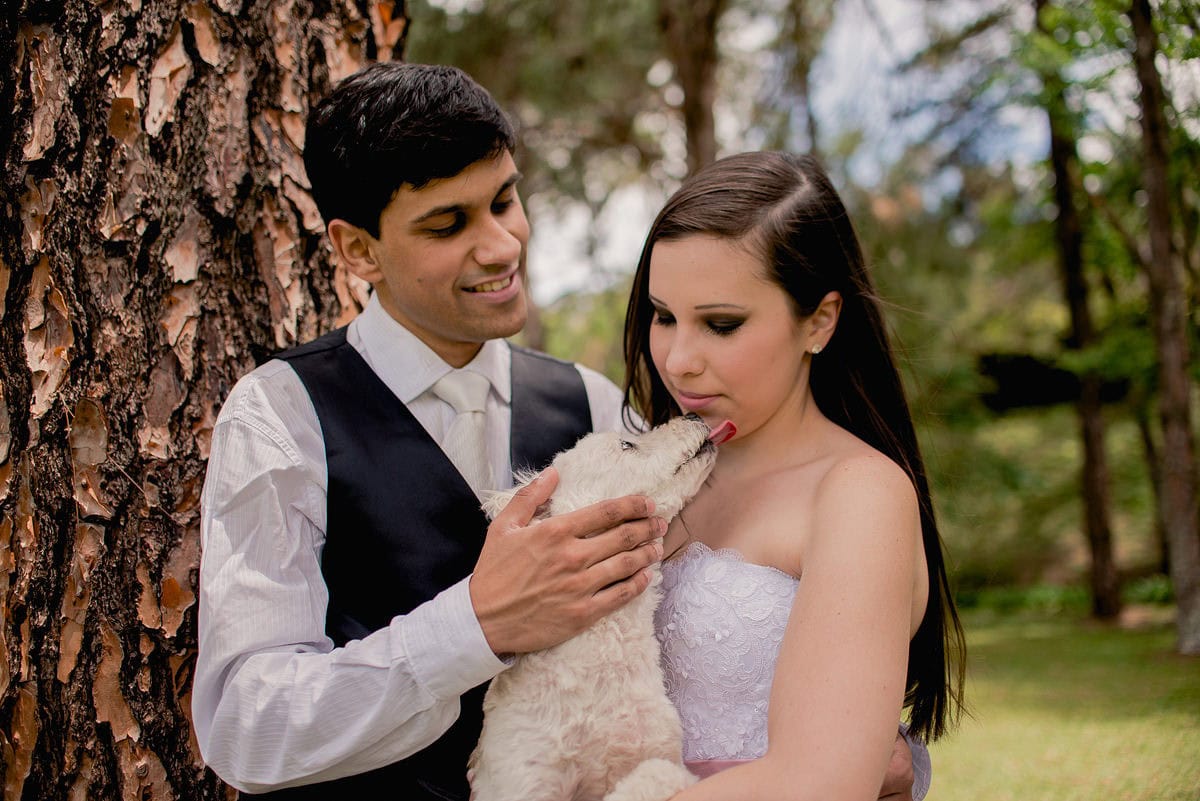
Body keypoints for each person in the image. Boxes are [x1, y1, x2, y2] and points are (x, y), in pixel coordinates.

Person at [192, 62, 923, 800]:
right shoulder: (281, 417)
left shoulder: (596, 408)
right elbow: (243, 728)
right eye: (449, 223)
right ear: (356, 251)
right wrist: (476, 624)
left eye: (505, 201)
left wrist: (869, 758)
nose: (502, 245)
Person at [623, 151, 966, 799]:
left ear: (819, 320)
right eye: (663, 315)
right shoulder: (654, 469)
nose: (678, 358)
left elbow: (820, 782)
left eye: (721, 324)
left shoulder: (858, 493)